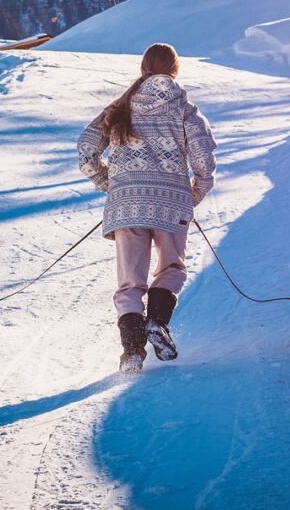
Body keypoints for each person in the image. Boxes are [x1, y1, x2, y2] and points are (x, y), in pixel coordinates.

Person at [77, 43, 217, 374]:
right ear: (175, 69)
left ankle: (132, 353)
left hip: (127, 205)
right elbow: (203, 158)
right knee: (171, 267)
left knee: (130, 282)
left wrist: (109, 184)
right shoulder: (185, 107)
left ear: (143, 68)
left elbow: (85, 148)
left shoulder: (119, 107)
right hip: (172, 202)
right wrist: (196, 192)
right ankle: (156, 322)